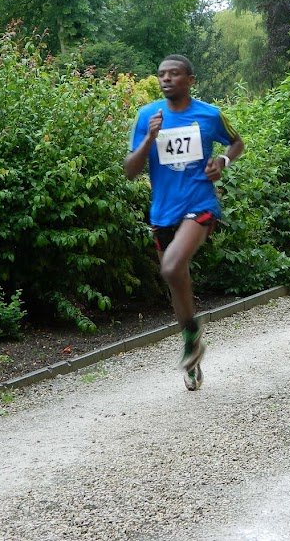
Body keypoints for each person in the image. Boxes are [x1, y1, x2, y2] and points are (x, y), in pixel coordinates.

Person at [124, 54, 244, 391]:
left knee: (171, 266)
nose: (166, 79)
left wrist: (223, 160)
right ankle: (191, 341)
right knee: (176, 280)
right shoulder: (148, 116)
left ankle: (191, 340)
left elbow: (237, 143)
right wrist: (149, 139)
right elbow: (130, 171)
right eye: (161, 74)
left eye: (174, 74)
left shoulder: (209, 114)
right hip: (163, 211)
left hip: (199, 203)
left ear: (190, 80)